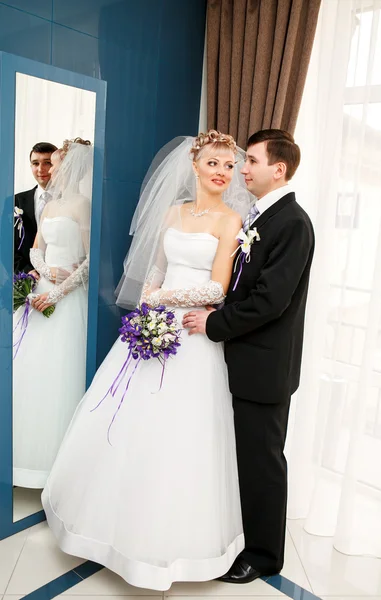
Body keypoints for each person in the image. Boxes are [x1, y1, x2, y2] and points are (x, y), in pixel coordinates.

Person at [42, 131, 251, 591]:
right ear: (195, 167)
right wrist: (147, 304)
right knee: (124, 423)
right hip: (152, 324)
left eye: (230, 166)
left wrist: (164, 299)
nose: (223, 172)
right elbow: (155, 267)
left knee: (180, 432)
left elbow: (217, 288)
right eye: (214, 163)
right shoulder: (173, 213)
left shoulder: (231, 219)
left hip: (192, 334)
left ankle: (165, 545)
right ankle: (104, 527)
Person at [183, 129, 315, 583]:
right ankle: (247, 537)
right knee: (249, 458)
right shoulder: (264, 217)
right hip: (247, 360)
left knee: (263, 461)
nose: (242, 169)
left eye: (251, 161)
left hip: (265, 365)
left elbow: (269, 300)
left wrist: (213, 323)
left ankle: (263, 557)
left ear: (278, 169)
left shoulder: (292, 223)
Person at [13, 138, 93, 489]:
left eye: (56, 163)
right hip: (43, 290)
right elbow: (34, 251)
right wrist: (45, 273)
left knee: (60, 376)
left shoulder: (84, 205)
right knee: (29, 375)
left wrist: (60, 289)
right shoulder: (51, 207)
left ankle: (57, 472)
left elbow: (90, 260)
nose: (50, 170)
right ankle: (21, 463)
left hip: (69, 297)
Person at [14, 141, 58, 274]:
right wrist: (27, 272)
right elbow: (6, 244)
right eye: (35, 163)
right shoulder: (16, 201)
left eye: (47, 162)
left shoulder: (71, 202)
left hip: (60, 276)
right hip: (24, 278)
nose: (40, 169)